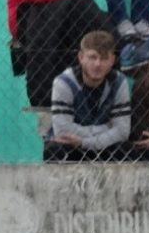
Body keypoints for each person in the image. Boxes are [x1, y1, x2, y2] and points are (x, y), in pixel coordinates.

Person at [45, 30, 132, 161]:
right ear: (81, 58)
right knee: (55, 149)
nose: (97, 64)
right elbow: (63, 131)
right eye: (92, 57)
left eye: (104, 58)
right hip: (72, 145)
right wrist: (106, 128)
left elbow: (122, 131)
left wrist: (85, 142)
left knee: (125, 149)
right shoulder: (64, 83)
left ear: (112, 60)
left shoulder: (119, 82)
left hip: (101, 145)